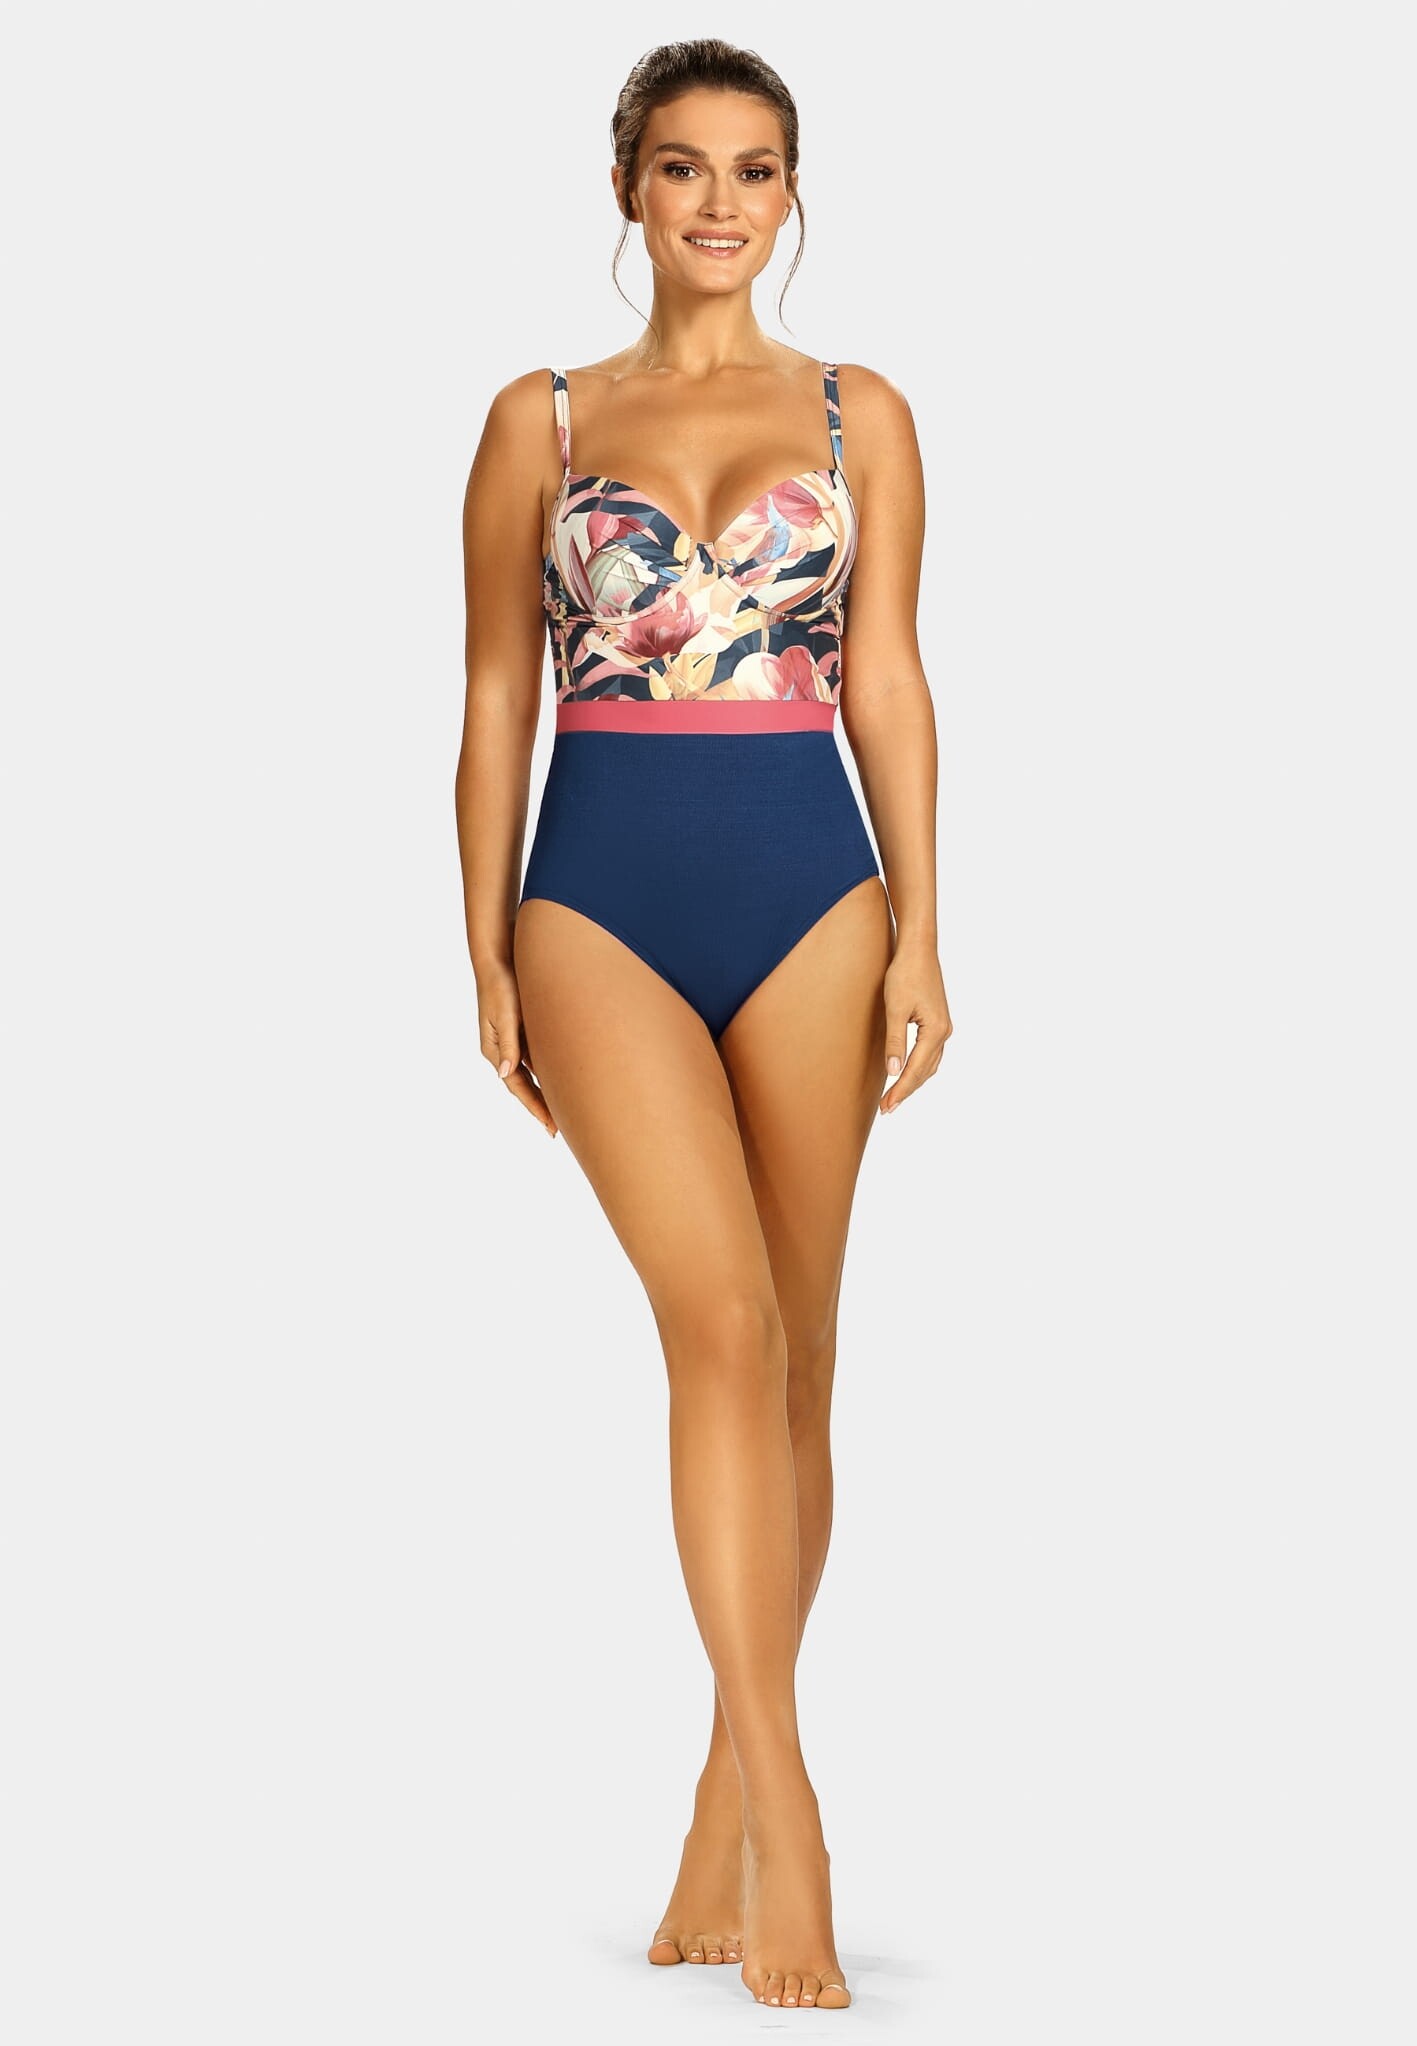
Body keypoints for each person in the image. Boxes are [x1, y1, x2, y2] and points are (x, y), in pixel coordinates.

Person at [455, 37, 952, 2012]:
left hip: (815, 894)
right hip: (595, 897)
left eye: (754, 168)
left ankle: (715, 1797)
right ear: (627, 192)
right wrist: (482, 948)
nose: (720, 201)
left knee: (801, 1357)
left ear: (791, 190)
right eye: (682, 168)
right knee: (720, 1325)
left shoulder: (858, 412)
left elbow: (887, 677)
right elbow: (495, 694)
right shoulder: (540, 418)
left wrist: (924, 932)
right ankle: (792, 1811)